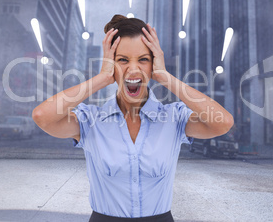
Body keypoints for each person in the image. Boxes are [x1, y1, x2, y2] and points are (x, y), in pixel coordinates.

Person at [32, 15, 234, 221]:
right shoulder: (90, 121)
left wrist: (165, 77)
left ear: (154, 64)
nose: (134, 69)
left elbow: (223, 123)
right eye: (122, 60)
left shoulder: (174, 118)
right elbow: (42, 117)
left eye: (143, 59)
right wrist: (101, 78)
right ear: (111, 64)